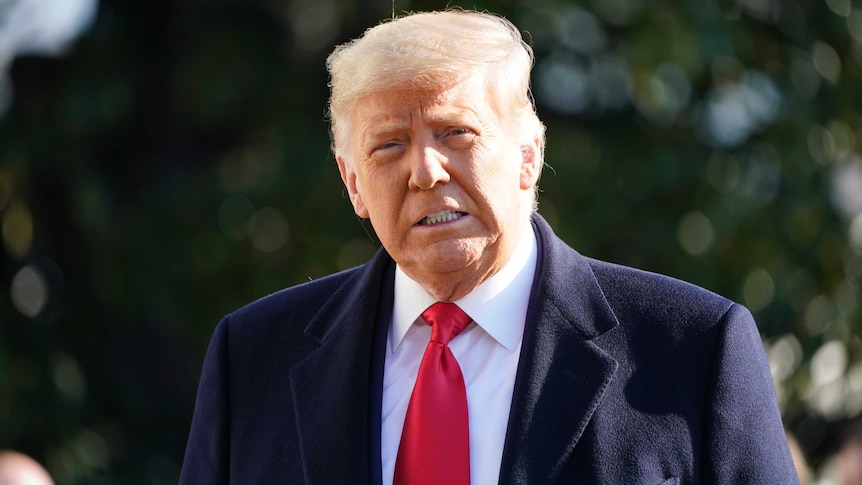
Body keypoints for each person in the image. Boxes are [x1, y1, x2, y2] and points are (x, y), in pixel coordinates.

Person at [180, 9, 799, 484]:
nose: (425, 170)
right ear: (353, 184)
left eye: (456, 132)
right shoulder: (253, 356)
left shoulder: (695, 347)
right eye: (389, 145)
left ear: (529, 156)